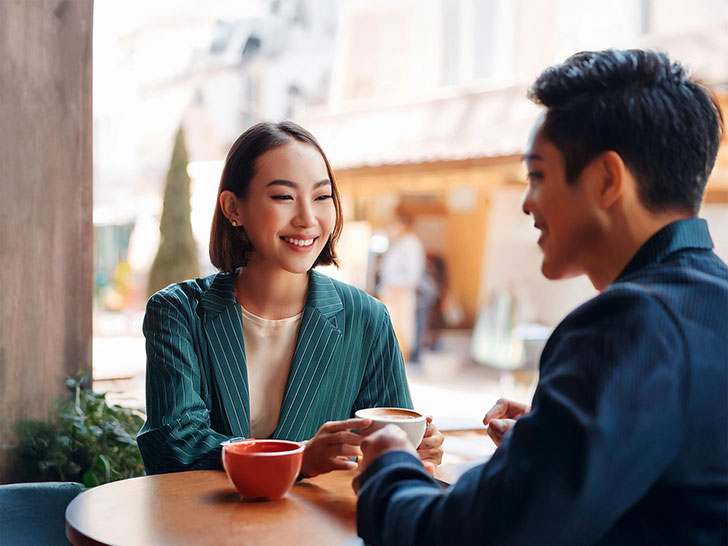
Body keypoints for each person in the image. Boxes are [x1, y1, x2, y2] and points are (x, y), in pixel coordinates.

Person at [355, 49, 727, 545]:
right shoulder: (709, 303)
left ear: (607, 180)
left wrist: (389, 469)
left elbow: (474, 537)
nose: (527, 202)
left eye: (537, 176)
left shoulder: (629, 322)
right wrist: (553, 438)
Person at [138, 121, 443, 478]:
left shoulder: (367, 318)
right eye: (284, 197)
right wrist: (298, 459)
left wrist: (416, 449)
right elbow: (175, 445)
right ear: (233, 208)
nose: (308, 219)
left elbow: (386, 456)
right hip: (204, 530)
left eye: (321, 197)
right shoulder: (177, 311)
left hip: (318, 531)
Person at [377, 206, 426, 361]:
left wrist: (394, 285)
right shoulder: (398, 243)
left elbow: (412, 276)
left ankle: (401, 365)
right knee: (390, 332)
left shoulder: (411, 243)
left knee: (402, 333)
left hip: (401, 295)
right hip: (391, 295)